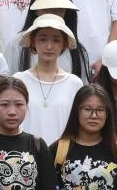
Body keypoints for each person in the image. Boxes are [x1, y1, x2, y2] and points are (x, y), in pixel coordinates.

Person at [12, 14, 85, 144]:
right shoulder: (19, 80)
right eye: (43, 39)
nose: (49, 46)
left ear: (64, 44)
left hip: (62, 153)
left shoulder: (74, 83)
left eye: (56, 40)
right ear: (33, 41)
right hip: (26, 152)